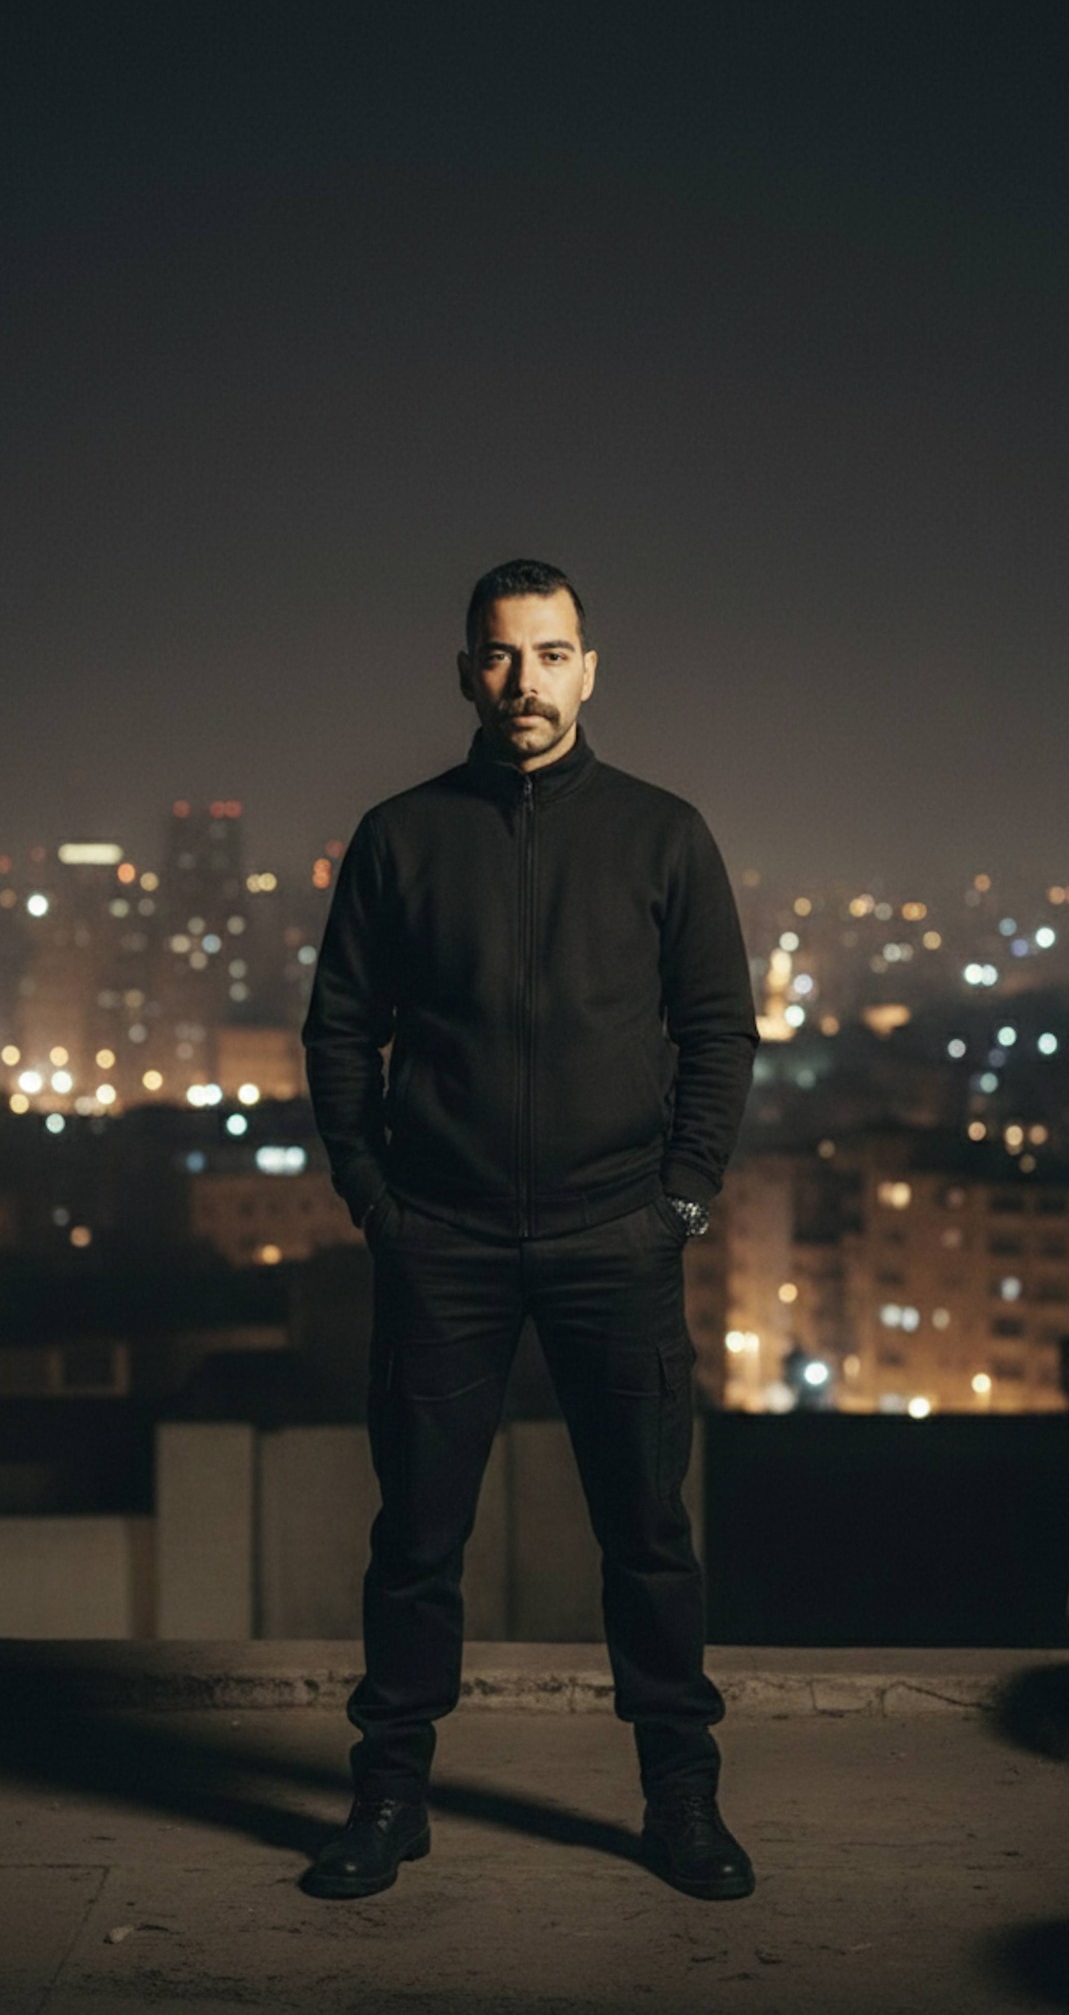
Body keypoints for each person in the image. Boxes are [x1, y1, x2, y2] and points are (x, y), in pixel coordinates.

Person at [300, 558, 759, 1901]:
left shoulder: (664, 834)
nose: (526, 682)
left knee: (650, 1538)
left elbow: (719, 1031)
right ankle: (390, 1798)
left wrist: (682, 1198)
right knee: (416, 1540)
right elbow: (340, 1031)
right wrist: (374, 1199)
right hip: (439, 1240)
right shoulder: (400, 836)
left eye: (551, 655)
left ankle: (682, 1799)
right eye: (502, 656)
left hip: (618, 1235)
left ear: (589, 670)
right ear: (467, 672)